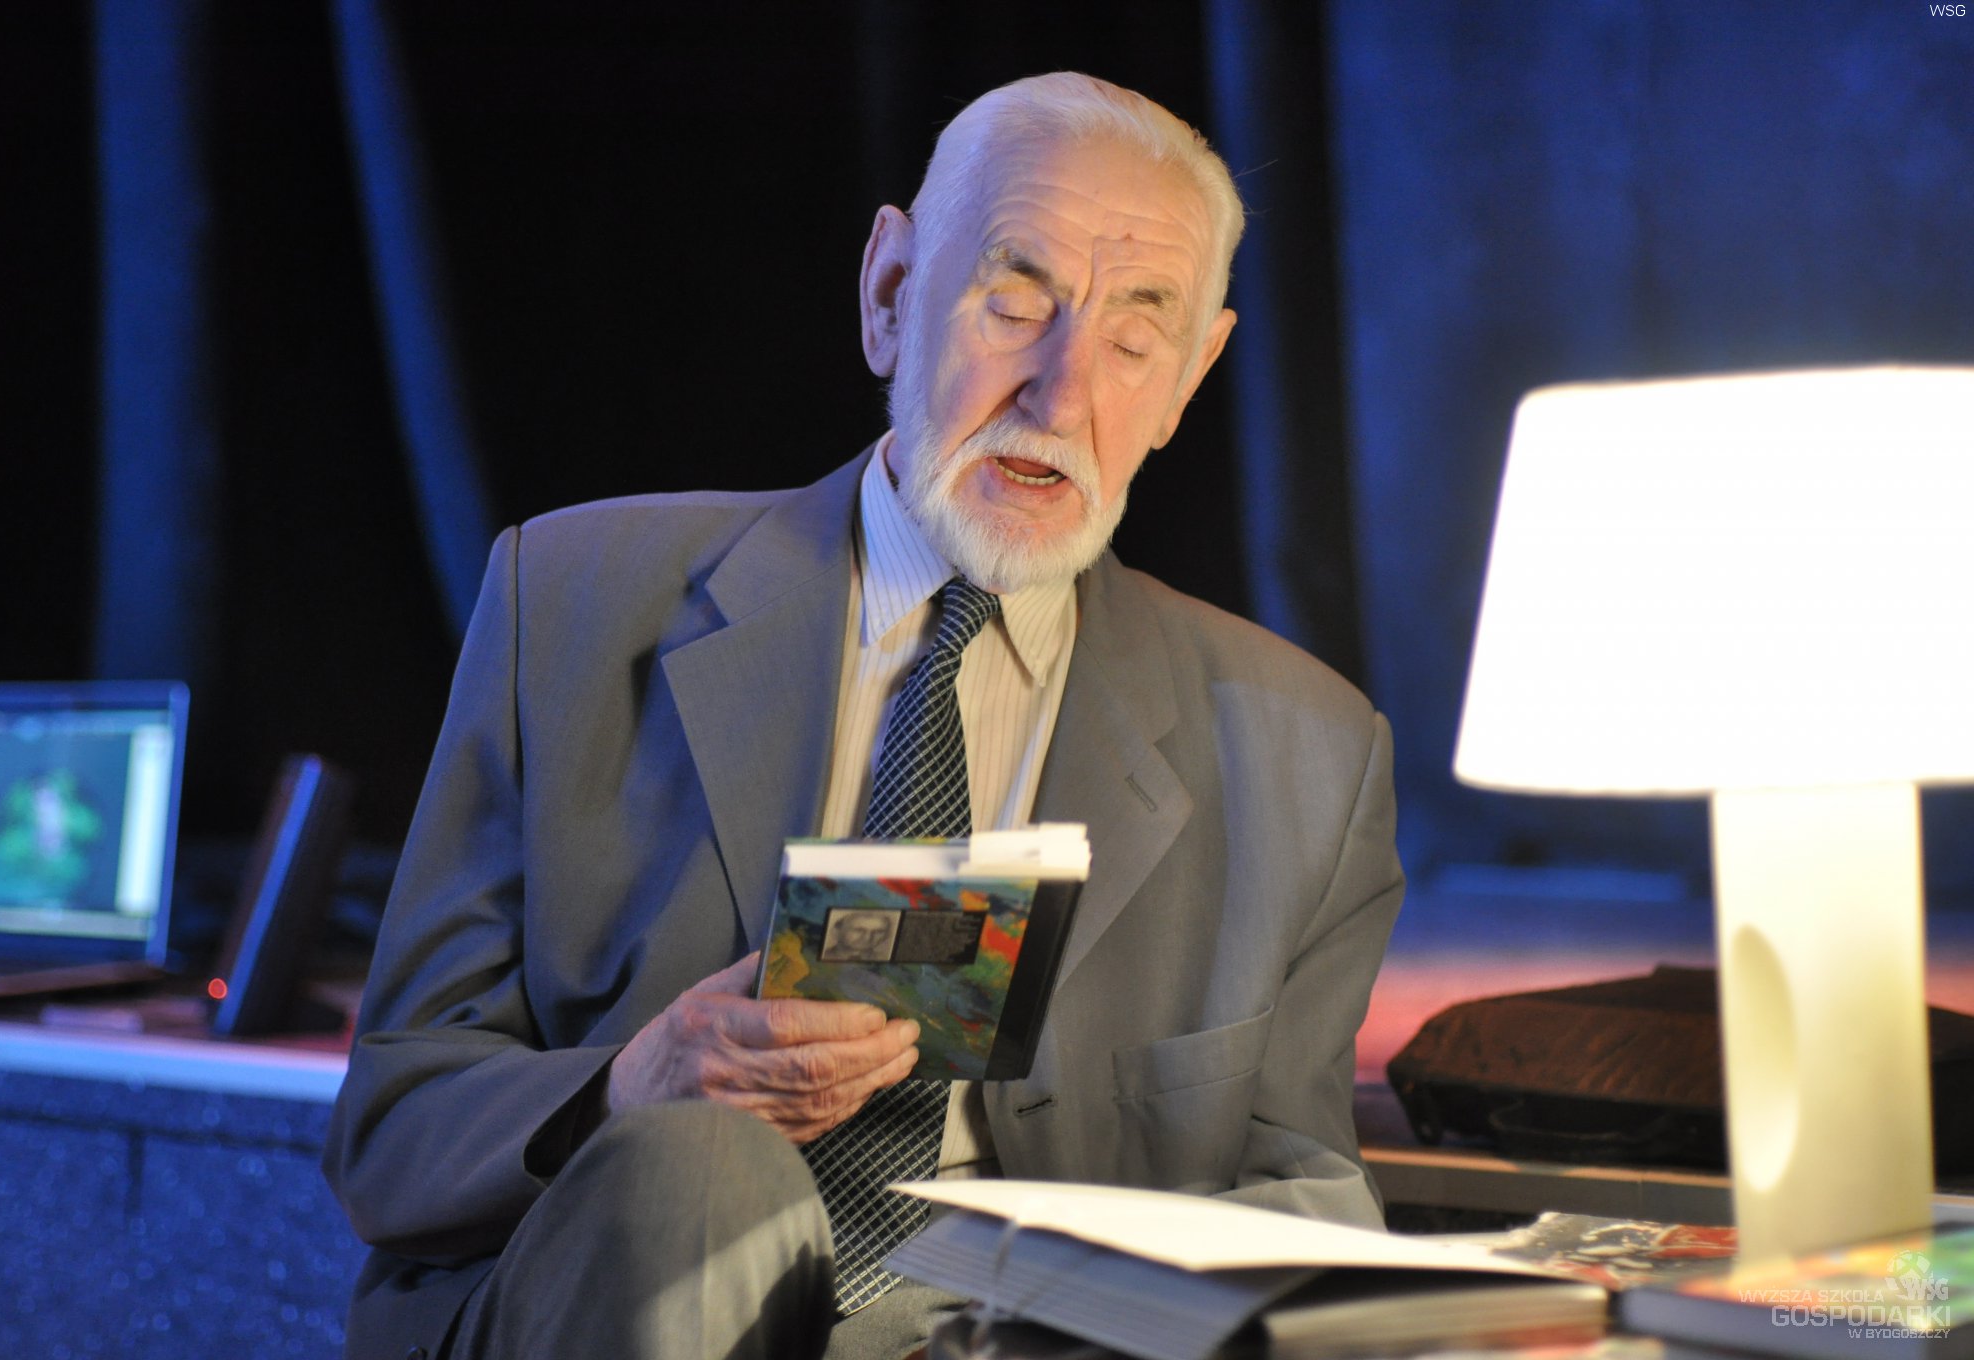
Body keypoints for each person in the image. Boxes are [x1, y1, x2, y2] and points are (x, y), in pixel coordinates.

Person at [324, 71, 1405, 1360]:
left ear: (1189, 380)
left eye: (1133, 340)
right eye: (1015, 304)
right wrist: (636, 1084)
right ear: (890, 294)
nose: (1061, 396)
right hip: (610, 1304)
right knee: (702, 1169)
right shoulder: (570, 601)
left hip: (1003, 1332)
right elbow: (393, 1129)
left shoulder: (1308, 752)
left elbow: (1302, 1190)